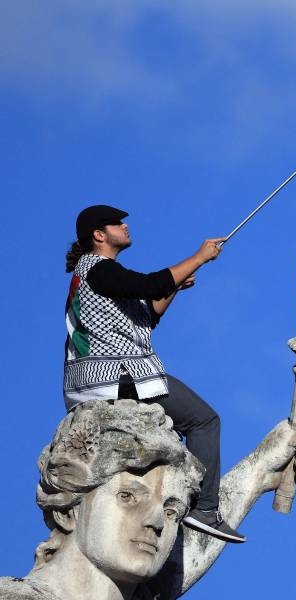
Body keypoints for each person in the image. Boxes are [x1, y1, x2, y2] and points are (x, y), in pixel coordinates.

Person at [0, 400, 296, 600]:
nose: (157, 521)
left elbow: (183, 556)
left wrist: (263, 467)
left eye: (172, 510)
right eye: (129, 497)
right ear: (69, 509)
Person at [63, 204, 241, 543]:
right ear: (99, 235)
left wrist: (173, 287)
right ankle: (205, 509)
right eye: (117, 223)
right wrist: (199, 256)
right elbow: (149, 284)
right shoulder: (97, 269)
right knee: (204, 420)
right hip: (115, 375)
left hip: (101, 378)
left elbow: (148, 313)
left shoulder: (102, 276)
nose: (125, 226)